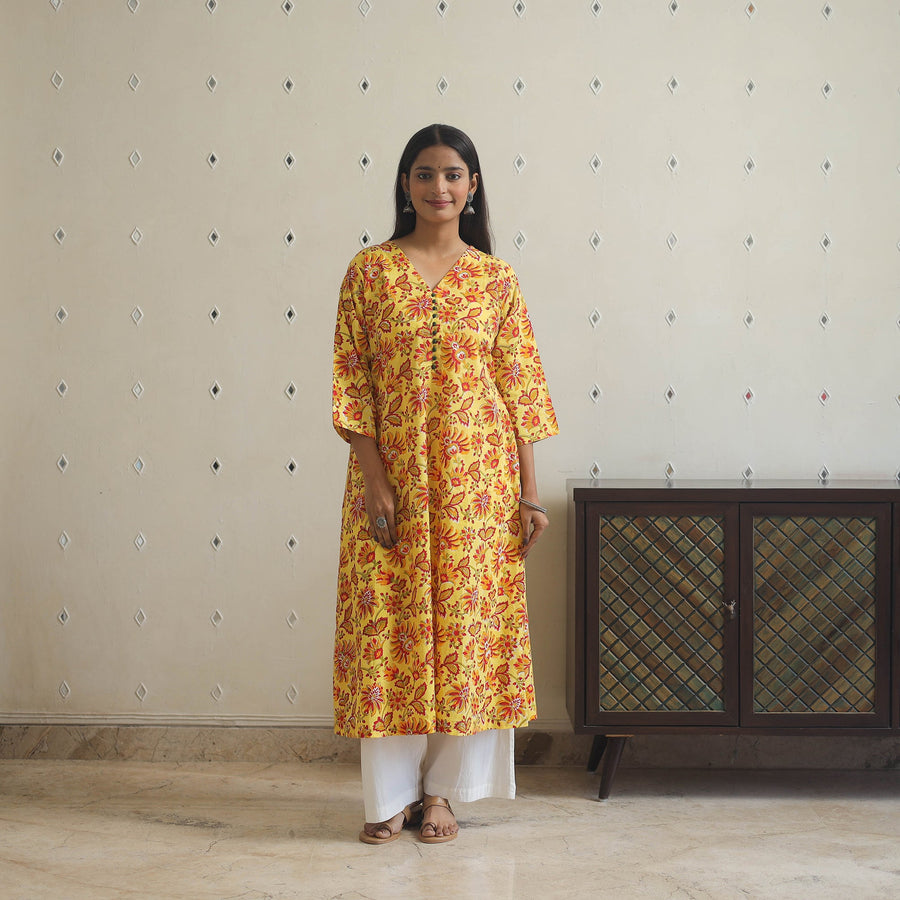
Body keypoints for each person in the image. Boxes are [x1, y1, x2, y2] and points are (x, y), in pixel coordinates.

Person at [331, 124, 558, 845]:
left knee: (467, 630)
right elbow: (352, 383)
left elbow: (521, 392)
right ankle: (388, 798)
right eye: (425, 174)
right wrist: (374, 479)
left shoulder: (495, 280)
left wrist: (528, 493)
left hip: (476, 488)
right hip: (391, 481)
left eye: (453, 174)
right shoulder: (369, 273)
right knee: (388, 630)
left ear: (473, 186)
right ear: (406, 184)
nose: (439, 187)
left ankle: (442, 796)